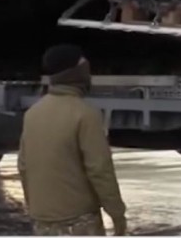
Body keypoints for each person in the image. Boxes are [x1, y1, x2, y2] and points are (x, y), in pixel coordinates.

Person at [19, 45, 128, 236]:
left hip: (42, 221)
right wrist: (117, 214)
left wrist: (36, 208)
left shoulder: (32, 114)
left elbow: (23, 166)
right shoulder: (86, 114)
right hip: (78, 220)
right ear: (75, 73)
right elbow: (99, 170)